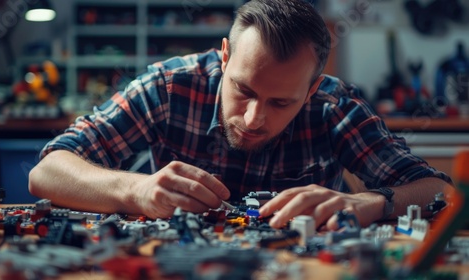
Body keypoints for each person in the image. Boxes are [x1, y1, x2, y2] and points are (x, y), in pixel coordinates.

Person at [29, 0, 452, 231]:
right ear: (225, 56)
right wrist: (135, 190)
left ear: (310, 89)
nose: (252, 119)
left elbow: (444, 192)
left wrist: (373, 203)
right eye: (243, 90)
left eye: (280, 102)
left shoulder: (334, 104)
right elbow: (46, 172)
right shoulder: (169, 86)